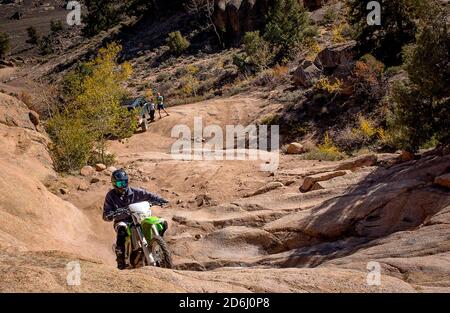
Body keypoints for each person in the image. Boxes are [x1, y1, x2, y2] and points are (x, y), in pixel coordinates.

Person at [103, 169, 169, 270]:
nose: (123, 185)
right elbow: (106, 213)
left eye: (125, 182)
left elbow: (149, 195)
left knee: (163, 223)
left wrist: (160, 200)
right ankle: (121, 262)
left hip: (140, 218)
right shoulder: (111, 196)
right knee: (121, 230)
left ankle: (160, 246)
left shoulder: (135, 192)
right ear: (114, 184)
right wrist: (110, 214)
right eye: (120, 183)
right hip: (123, 220)